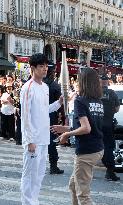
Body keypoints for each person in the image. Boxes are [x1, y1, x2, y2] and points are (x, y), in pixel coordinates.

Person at [51, 67, 104, 205]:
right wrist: (65, 129)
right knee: (73, 186)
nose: (76, 83)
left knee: (83, 195)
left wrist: (67, 134)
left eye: (78, 80)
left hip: (86, 151)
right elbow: (87, 126)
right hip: (97, 148)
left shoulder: (80, 101)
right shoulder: (98, 101)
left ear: (83, 82)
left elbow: (86, 128)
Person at [20, 53, 63, 205]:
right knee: (29, 174)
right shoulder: (27, 88)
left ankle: (34, 200)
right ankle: (27, 202)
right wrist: (29, 140)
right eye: (41, 66)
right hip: (33, 140)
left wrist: (58, 103)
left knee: (39, 174)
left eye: (46, 66)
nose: (45, 69)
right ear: (33, 68)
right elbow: (25, 116)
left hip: (44, 138)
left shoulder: (45, 87)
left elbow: (45, 110)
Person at [43, 62, 64, 174]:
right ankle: (53, 165)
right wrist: (61, 116)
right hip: (52, 114)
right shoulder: (55, 85)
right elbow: (60, 103)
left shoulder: (40, 83)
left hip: (41, 114)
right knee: (51, 140)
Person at [100, 75, 120, 181]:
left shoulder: (94, 93)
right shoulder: (112, 93)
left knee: (97, 146)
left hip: (95, 124)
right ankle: (110, 171)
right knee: (108, 147)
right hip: (108, 124)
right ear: (107, 82)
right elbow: (117, 108)